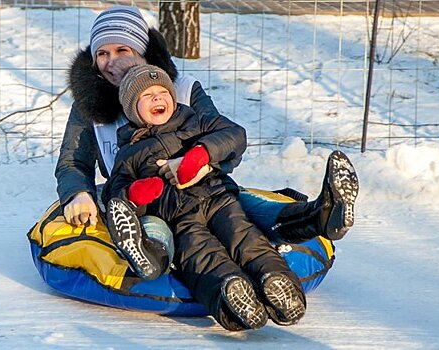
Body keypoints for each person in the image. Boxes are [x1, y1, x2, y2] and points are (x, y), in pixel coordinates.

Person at [55, 5, 358, 290]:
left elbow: (225, 137)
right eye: (103, 53)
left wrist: (201, 162)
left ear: (143, 51)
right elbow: (72, 162)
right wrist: (78, 193)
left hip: (206, 185)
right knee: (160, 228)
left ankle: (321, 215)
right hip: (149, 201)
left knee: (243, 206)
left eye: (123, 49)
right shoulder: (88, 108)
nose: (113, 61)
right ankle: (153, 256)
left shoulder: (182, 89)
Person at [101, 63, 307, 331]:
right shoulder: (129, 152)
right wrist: (135, 194)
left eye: (162, 92)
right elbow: (114, 189)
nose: (156, 97)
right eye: (145, 95)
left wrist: (201, 153)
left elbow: (233, 134)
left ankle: (278, 282)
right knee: (200, 255)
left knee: (245, 238)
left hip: (219, 198)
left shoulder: (195, 121)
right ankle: (230, 295)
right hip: (179, 217)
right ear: (132, 110)